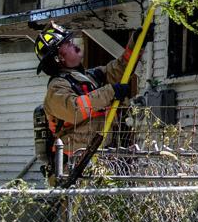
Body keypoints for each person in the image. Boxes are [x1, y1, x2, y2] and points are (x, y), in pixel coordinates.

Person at [35, 23, 139, 172]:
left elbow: (120, 69)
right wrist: (110, 92)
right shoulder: (56, 88)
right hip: (73, 168)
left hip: (101, 158)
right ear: (58, 58)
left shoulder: (90, 77)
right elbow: (75, 109)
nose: (74, 45)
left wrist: (136, 44)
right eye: (67, 44)